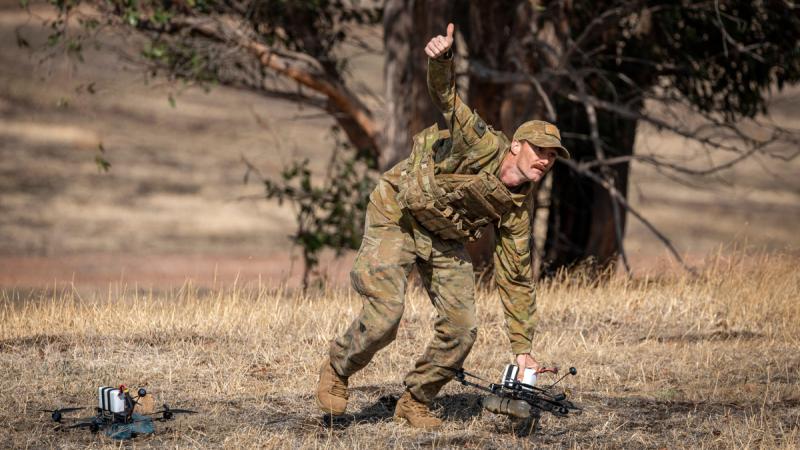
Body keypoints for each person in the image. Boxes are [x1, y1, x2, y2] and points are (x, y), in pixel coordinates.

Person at [315, 23, 570, 430]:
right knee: (385, 315)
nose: (544, 160)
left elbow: (516, 277)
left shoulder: (517, 208)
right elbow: (447, 99)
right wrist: (443, 60)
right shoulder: (483, 144)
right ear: (518, 146)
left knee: (462, 329)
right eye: (539, 150)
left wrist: (522, 347)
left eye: (552, 157)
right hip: (398, 212)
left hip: (444, 237)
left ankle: (415, 401)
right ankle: (337, 369)